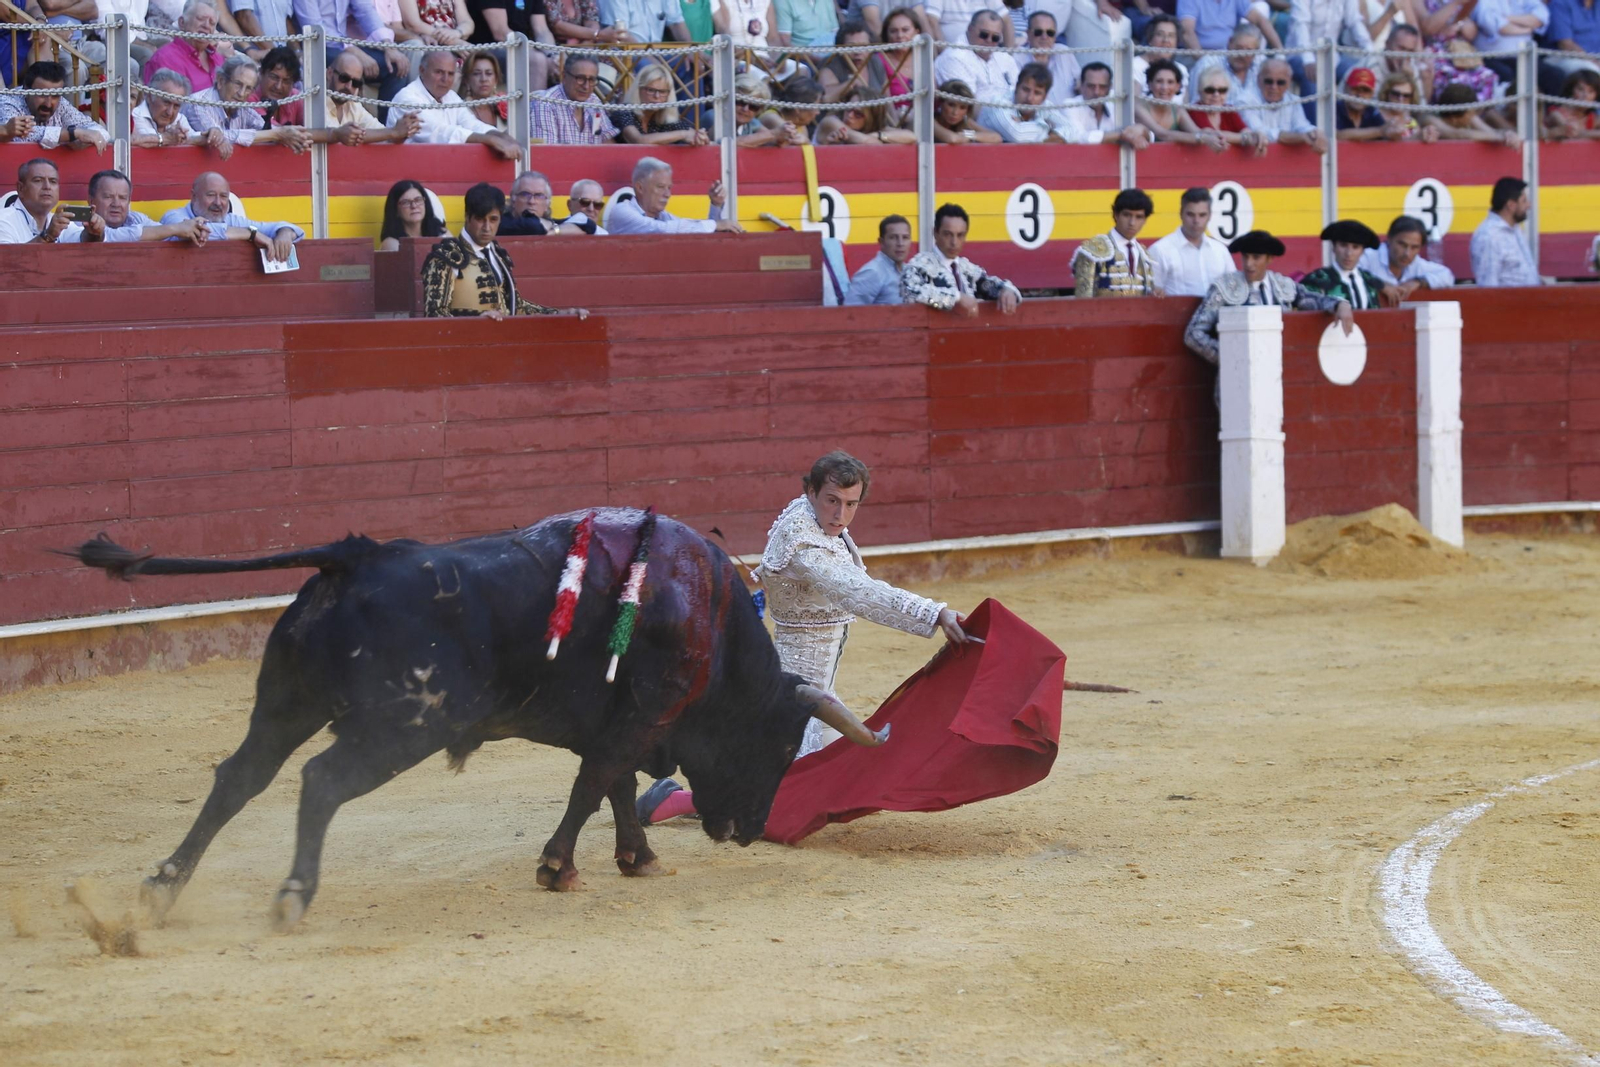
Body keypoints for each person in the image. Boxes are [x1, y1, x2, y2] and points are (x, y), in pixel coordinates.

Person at [636, 450, 975, 825]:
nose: (840, 514)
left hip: (817, 692)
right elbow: (856, 591)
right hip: (798, 691)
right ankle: (675, 800)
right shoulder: (803, 544)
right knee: (786, 800)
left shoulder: (813, 520)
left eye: (851, 504)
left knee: (841, 780)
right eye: (832, 501)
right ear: (810, 492)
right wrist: (932, 612)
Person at [1184, 229, 1354, 367]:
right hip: (1236, 378)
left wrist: (1339, 304)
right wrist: (1230, 357)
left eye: (1256, 257)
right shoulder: (1224, 287)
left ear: (1270, 259)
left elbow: (1313, 299)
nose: (1249, 263)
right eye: (1246, 256)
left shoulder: (1283, 285)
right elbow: (1193, 334)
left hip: (1278, 373)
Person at [422, 182, 590, 317]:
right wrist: (475, 321)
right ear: (467, 218)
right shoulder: (445, 257)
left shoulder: (498, 254)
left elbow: (516, 307)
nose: (487, 227)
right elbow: (435, 313)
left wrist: (558, 314)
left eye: (493, 219)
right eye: (480, 219)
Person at [389, 50, 521, 156]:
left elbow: (471, 123)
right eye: (439, 72)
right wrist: (490, 140)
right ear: (422, 71)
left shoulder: (450, 96)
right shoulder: (407, 97)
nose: (445, 79)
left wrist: (499, 135)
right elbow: (438, 132)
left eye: (450, 74)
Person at [901, 202, 1022, 314]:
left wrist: (1006, 290)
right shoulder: (920, 265)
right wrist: (957, 297)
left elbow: (990, 286)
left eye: (960, 235)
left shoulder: (968, 270)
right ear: (935, 233)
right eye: (948, 234)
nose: (954, 242)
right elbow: (911, 292)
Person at [159, 171, 304, 261]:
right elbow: (198, 232)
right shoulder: (174, 217)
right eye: (211, 195)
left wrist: (285, 232)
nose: (218, 203)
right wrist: (250, 234)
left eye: (223, 196)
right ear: (194, 196)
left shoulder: (230, 219)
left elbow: (274, 228)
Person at [184, 54, 314, 152]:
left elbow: (266, 128)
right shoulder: (198, 104)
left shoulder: (242, 107)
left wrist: (293, 135)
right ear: (221, 80)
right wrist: (277, 134)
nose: (241, 93)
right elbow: (218, 137)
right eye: (238, 84)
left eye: (248, 88)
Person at [293, 0, 411, 102]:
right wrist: (357, 53)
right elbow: (316, 30)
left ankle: (388, 121)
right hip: (318, 48)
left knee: (396, 65)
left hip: (345, 45)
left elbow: (365, 11)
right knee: (348, 65)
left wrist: (388, 46)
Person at [63, 168, 211, 244]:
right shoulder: (78, 224)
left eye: (123, 198)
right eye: (108, 197)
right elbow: (111, 236)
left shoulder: (135, 218)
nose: (116, 204)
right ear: (91, 200)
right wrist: (176, 228)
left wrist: (195, 230)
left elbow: (165, 234)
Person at [607, 156, 745, 233]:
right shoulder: (622, 211)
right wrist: (714, 225)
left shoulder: (663, 216)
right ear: (640, 187)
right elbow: (662, 230)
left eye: (669, 188)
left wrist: (715, 205)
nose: (667, 194)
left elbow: (692, 232)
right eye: (661, 187)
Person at [0, 61, 110, 151]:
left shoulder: (61, 103)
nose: (48, 103)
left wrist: (78, 141)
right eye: (42, 94)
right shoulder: (8, 102)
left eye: (55, 96)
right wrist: (71, 134)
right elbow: (21, 136)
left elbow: (98, 132)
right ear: (26, 89)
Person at [1147, 186, 1233, 298]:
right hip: (1176, 310)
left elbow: (1233, 289)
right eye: (1190, 214)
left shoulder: (1220, 250)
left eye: (1202, 215)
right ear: (1181, 214)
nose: (1196, 221)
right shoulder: (1159, 250)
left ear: (1210, 216)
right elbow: (1151, 295)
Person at [1073, 187, 1160, 298]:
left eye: (1138, 217)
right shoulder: (1093, 250)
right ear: (1115, 214)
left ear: (1145, 220)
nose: (1132, 223)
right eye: (1127, 215)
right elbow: (1084, 298)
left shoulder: (1144, 254)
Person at [1299, 219, 1402, 309]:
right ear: (1334, 247)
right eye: (1343, 245)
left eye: (1355, 247)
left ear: (1362, 251)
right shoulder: (1316, 280)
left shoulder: (1369, 280)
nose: (1349, 253)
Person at [324, 48, 423, 142]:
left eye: (355, 83)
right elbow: (342, 136)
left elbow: (381, 133)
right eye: (344, 78)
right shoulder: (317, 100)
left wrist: (402, 131)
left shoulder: (353, 105)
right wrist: (394, 132)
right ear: (329, 73)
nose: (349, 86)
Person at [0, 158, 99, 243]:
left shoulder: (57, 220)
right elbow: (7, 258)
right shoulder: (3, 220)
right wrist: (48, 236)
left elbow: (82, 240)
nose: (47, 187)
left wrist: (93, 233)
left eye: (53, 181)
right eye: (38, 180)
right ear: (21, 188)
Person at [529, 53, 621, 145]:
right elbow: (547, 151)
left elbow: (606, 141)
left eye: (591, 80)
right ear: (564, 76)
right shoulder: (544, 104)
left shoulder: (593, 100)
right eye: (580, 78)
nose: (586, 86)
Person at [977, 62, 1084, 141]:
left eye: (1037, 93)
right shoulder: (998, 103)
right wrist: (1047, 129)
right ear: (1017, 87)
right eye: (1025, 90)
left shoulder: (1045, 105)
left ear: (1044, 97)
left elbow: (1074, 130)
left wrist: (1049, 134)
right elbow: (1018, 135)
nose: (1029, 98)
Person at [1136, 58, 1225, 149]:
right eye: (1159, 81)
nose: (1164, 87)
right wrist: (1202, 138)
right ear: (1150, 84)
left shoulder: (1177, 110)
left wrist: (1213, 134)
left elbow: (1196, 131)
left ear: (1178, 86)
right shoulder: (1139, 107)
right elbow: (1162, 134)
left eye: (1170, 82)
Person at [934, 9, 1019, 105]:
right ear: (970, 29)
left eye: (995, 38)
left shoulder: (1005, 58)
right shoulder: (954, 57)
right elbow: (968, 107)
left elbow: (1020, 93)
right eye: (984, 34)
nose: (989, 40)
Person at [1241, 56, 1327, 151]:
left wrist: (1314, 133)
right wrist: (1301, 137)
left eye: (1280, 82)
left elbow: (1301, 126)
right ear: (1258, 80)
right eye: (1268, 81)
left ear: (1289, 82)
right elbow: (1259, 132)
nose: (1274, 87)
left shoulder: (1293, 100)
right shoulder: (1244, 101)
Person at [1358, 214, 1457, 294]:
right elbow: (1351, 273)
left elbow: (1447, 276)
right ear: (1389, 239)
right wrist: (1381, 285)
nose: (1407, 253)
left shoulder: (1417, 263)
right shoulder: (1368, 257)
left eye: (1414, 247)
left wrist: (1418, 281)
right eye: (1402, 245)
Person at [1470, 176, 1541, 287]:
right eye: (1524, 201)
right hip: (1510, 299)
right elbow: (1488, 286)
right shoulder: (1490, 236)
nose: (1528, 205)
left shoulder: (1515, 229)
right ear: (1511, 205)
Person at [1060, 61, 1151, 147]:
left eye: (1102, 87)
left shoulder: (1117, 103)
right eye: (1091, 86)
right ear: (1081, 86)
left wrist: (1143, 131)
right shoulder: (1069, 105)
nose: (1096, 92)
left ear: (1109, 87)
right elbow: (1077, 137)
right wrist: (1120, 136)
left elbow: (1145, 135)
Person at [616, 62, 708, 145]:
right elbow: (639, 141)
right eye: (651, 90)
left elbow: (692, 134)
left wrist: (700, 137)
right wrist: (682, 134)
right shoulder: (624, 111)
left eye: (662, 92)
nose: (657, 96)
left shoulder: (664, 117)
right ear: (639, 90)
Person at [144, 0, 225, 91]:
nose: (207, 26)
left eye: (212, 23)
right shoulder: (165, 58)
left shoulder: (218, 58)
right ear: (182, 23)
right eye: (200, 19)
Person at [1191, 65, 1267, 152]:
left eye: (1222, 90)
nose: (1216, 94)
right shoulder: (1195, 110)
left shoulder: (1229, 110)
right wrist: (1244, 138)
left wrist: (1257, 135)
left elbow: (1246, 132)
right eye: (1210, 90)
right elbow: (1214, 136)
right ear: (1200, 91)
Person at [1187, 24, 1264, 105]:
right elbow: (1196, 104)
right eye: (1239, 48)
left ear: (1256, 52)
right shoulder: (1207, 64)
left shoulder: (1262, 66)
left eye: (1248, 51)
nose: (1241, 54)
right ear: (1230, 43)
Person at [845, 214, 912, 304]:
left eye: (905, 237)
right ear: (881, 242)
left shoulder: (909, 271)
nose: (900, 243)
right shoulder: (872, 273)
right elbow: (851, 310)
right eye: (893, 238)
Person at [1434, 81, 1521, 146]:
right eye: (1470, 114)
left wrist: (1507, 134)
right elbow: (1458, 134)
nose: (1473, 116)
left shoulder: (1469, 116)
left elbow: (1491, 131)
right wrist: (1500, 137)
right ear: (1454, 118)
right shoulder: (1432, 120)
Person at [819, 20, 887, 100]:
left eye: (863, 46)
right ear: (840, 48)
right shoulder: (831, 65)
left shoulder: (875, 62)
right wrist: (850, 84)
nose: (857, 52)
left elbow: (887, 98)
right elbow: (825, 97)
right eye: (851, 47)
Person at [1024, 9, 1082, 104]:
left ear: (1055, 36)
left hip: (1070, 111)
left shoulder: (1064, 52)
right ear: (1028, 34)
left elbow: (1080, 82)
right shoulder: (1017, 57)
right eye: (1038, 32)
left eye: (1050, 33)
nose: (1044, 37)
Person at [1177, 0, 1283, 51]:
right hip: (1198, 54)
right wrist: (1202, 59)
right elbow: (1187, 32)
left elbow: (1261, 20)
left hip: (1229, 55)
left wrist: (1280, 52)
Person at [379, 178, 447, 250]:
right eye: (406, 202)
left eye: (418, 200)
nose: (414, 206)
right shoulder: (392, 243)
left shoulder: (441, 233)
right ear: (395, 210)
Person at [1374, 71, 1442, 141]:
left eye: (1406, 96)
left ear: (1411, 99)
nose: (1401, 99)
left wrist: (1425, 135)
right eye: (1396, 94)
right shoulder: (1374, 114)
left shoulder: (1412, 123)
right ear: (1387, 93)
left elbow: (1409, 144)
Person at [1130, 14, 1184, 100]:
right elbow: (1133, 102)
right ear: (1150, 39)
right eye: (1160, 34)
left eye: (1171, 35)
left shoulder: (1181, 69)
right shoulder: (1133, 66)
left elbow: (1184, 105)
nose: (1166, 40)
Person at [931, 79, 1004, 142]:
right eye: (951, 105)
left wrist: (968, 135)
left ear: (967, 110)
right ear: (941, 103)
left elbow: (997, 137)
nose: (955, 113)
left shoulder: (965, 121)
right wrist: (963, 136)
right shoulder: (931, 121)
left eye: (962, 107)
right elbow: (953, 139)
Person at [254, 45, 307, 128]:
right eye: (274, 77)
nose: (278, 86)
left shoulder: (295, 97)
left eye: (286, 81)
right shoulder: (249, 99)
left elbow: (311, 126)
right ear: (261, 73)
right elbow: (274, 132)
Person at [1545, 68, 1600, 139]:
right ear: (1571, 91)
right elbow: (1572, 132)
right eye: (1580, 89)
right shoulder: (1556, 113)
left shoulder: (1594, 119)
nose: (1585, 95)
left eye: (1591, 91)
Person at [462, 52, 509, 130]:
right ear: (467, 80)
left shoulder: (505, 103)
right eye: (477, 74)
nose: (483, 79)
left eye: (489, 73)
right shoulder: (461, 109)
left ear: (496, 79)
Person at [399, 0, 476, 43]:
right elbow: (413, 25)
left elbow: (467, 22)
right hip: (428, 43)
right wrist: (453, 42)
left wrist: (458, 32)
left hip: (457, 42)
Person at [775, 0, 841, 49]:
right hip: (802, 56)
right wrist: (817, 59)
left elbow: (836, 32)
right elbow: (785, 44)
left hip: (831, 52)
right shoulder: (782, 2)